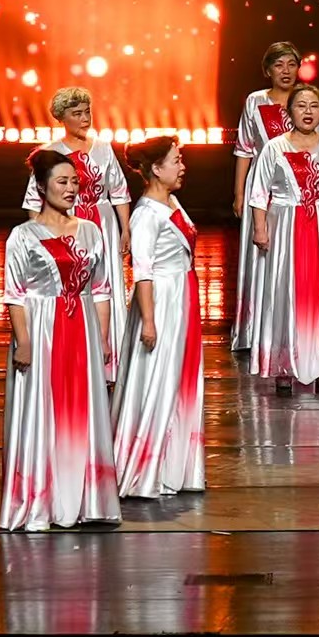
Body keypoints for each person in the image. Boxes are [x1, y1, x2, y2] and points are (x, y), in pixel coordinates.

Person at [0, 151, 120, 531]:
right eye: (62, 182)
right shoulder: (23, 235)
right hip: (42, 329)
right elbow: (15, 294)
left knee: (81, 410)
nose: (71, 189)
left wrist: (102, 338)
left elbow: (101, 289)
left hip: (81, 327)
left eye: (74, 182)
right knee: (43, 410)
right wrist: (23, 341)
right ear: (41, 186)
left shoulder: (90, 231)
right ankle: (41, 500)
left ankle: (86, 499)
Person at [247, 83, 319, 393]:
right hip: (284, 228)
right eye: (301, 106)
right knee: (285, 291)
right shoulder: (274, 148)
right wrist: (260, 228)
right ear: (290, 112)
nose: (308, 112)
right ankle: (285, 364)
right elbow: (259, 193)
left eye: (314, 106)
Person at [114, 134, 204, 500]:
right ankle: (144, 468)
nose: (182, 167)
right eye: (176, 161)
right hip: (162, 300)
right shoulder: (146, 214)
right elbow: (143, 271)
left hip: (182, 295)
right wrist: (149, 321)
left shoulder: (172, 202)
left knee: (179, 378)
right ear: (156, 168)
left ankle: (175, 466)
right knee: (157, 378)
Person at [21, 84, 132, 362]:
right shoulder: (50, 153)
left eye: (87, 112)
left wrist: (125, 230)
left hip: (103, 224)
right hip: (66, 224)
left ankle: (109, 358)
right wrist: (43, 237)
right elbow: (33, 201)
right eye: (77, 114)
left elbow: (119, 191)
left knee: (105, 286)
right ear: (62, 118)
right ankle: (72, 354)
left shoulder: (104, 149)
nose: (85, 119)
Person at [229, 41, 302, 355]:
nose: (286, 71)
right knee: (261, 253)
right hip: (262, 187)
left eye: (291, 64)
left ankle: (290, 326)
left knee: (292, 254)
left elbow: (318, 147)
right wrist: (239, 193)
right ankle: (256, 330)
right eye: (279, 65)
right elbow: (244, 149)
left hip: (298, 187)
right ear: (268, 70)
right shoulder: (255, 101)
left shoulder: (305, 99)